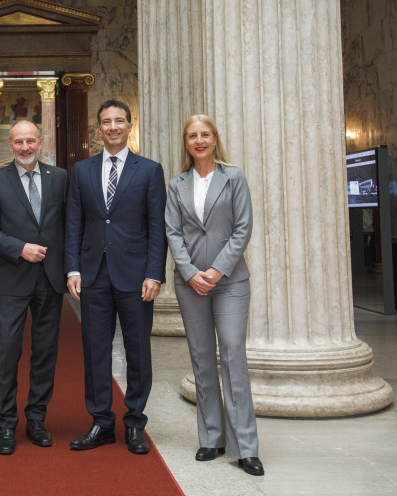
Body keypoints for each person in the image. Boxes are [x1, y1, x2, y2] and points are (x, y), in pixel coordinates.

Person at [65, 99, 167, 455]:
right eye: (106, 122)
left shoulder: (150, 170)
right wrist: (73, 268)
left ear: (129, 125)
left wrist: (155, 273)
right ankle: (101, 423)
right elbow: (74, 222)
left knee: (138, 350)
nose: (112, 127)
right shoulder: (82, 170)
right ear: (98, 129)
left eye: (119, 121)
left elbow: (158, 227)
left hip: (137, 276)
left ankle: (135, 422)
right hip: (93, 275)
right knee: (95, 351)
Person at [164, 115, 264, 476]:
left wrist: (216, 270)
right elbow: (172, 232)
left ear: (215, 139)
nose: (199, 140)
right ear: (186, 143)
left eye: (205, 134)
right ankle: (211, 437)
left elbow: (243, 227)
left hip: (231, 281)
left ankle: (246, 447)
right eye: (193, 135)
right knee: (202, 356)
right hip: (190, 283)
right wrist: (191, 273)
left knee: (234, 353)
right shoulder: (177, 184)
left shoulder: (233, 177)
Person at [0, 121, 69, 455]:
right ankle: (5, 424)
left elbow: (69, 226)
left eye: (30, 140)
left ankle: (37, 419)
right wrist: (19, 248)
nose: (25, 147)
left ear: (40, 142)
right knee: (7, 350)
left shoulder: (59, 178)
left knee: (45, 351)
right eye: (18, 142)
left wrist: (73, 270)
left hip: (51, 279)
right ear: (10, 145)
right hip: (14, 278)